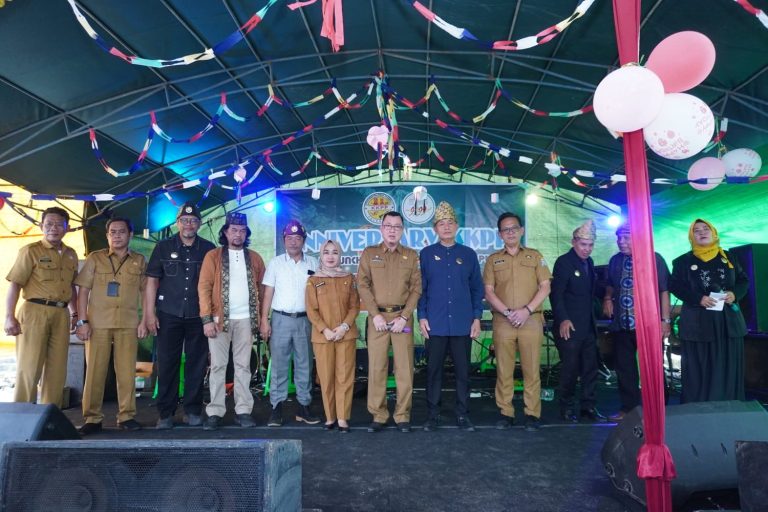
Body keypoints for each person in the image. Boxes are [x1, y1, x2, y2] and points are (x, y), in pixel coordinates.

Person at [144, 201, 215, 429]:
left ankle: (192, 410)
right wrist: (149, 314)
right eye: (184, 220)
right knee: (167, 364)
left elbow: (214, 286)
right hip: (168, 313)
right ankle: (165, 413)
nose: (188, 224)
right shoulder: (163, 247)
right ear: (177, 223)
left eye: (193, 221)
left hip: (198, 315)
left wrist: (211, 316)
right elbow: (152, 281)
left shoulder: (208, 248)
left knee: (197, 364)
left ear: (199, 224)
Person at [74, 217, 147, 434]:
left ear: (130, 235)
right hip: (98, 324)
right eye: (112, 232)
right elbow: (83, 291)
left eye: (121, 232)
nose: (117, 236)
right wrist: (82, 321)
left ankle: (126, 416)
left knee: (126, 372)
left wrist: (145, 320)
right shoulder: (95, 258)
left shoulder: (139, 260)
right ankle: (92, 418)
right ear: (107, 236)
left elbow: (146, 292)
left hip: (128, 323)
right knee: (95, 371)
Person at [418, 201, 484, 432]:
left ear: (457, 226)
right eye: (441, 224)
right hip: (435, 324)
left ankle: (462, 414)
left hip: (462, 324)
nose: (446, 227)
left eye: (450, 223)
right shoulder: (426, 254)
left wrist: (477, 318)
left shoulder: (468, 255)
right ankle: (433, 415)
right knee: (433, 372)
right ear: (435, 229)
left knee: (463, 373)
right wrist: (422, 316)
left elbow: (477, 289)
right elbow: (421, 289)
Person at [483, 212, 552, 431]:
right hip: (503, 322)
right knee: (504, 370)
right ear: (499, 234)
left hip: (530, 320)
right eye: (505, 229)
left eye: (514, 228)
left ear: (521, 230)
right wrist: (508, 312)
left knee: (531, 369)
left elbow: (545, 287)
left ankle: (532, 413)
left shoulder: (535, 256)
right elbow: (488, 291)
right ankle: (506, 412)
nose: (510, 232)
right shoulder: (493, 259)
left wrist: (526, 310)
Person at [5, 207, 78, 407]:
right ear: (41, 226)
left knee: (57, 370)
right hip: (34, 311)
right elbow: (15, 284)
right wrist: (9, 316)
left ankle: (49, 416)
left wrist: (75, 314)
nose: (53, 228)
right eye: (49, 224)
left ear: (67, 228)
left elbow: (71, 286)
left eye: (59, 224)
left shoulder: (71, 254)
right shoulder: (30, 251)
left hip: (61, 313)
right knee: (29, 367)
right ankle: (22, 415)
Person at [198, 212, 266, 431]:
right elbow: (204, 287)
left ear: (246, 234)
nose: (238, 234)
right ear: (225, 232)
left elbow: (263, 290)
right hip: (219, 320)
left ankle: (243, 410)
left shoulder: (255, 258)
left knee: (243, 366)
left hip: (246, 320)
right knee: (218, 365)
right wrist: (207, 319)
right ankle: (215, 411)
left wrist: (262, 318)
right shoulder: (213, 256)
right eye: (234, 230)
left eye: (242, 231)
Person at [669, 219, 748, 403]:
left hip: (728, 321)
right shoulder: (682, 261)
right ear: (691, 236)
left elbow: (743, 280)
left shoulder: (729, 257)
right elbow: (674, 285)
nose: (702, 232)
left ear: (714, 233)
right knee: (700, 363)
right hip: (698, 322)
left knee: (727, 361)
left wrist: (734, 294)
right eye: (696, 230)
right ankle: (700, 405)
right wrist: (698, 298)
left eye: (706, 229)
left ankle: (729, 403)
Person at [357, 211, 422, 433]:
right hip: (377, 319)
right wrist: (375, 314)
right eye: (388, 226)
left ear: (402, 230)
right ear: (381, 229)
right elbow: (362, 284)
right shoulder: (370, 253)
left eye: (397, 226)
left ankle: (402, 415)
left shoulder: (411, 255)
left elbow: (416, 288)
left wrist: (404, 316)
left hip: (402, 319)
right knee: (377, 368)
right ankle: (379, 414)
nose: (392, 230)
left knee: (404, 369)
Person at [603, 223, 671, 421]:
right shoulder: (615, 260)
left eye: (626, 238)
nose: (621, 242)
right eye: (619, 238)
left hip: (648, 325)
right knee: (624, 369)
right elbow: (610, 285)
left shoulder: (654, 258)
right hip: (622, 324)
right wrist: (607, 298)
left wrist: (665, 320)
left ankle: (659, 409)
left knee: (653, 368)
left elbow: (664, 290)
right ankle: (629, 409)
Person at [260, 220, 320, 427]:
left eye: (298, 238)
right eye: (289, 238)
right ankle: (276, 409)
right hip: (280, 320)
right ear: (284, 240)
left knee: (305, 364)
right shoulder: (276, 263)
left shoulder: (313, 263)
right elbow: (268, 293)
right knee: (279, 365)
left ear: (304, 241)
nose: (293, 242)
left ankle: (304, 407)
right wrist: (264, 320)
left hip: (305, 320)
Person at [550, 219, 605, 423]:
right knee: (570, 369)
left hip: (588, 325)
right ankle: (566, 406)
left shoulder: (589, 263)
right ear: (574, 242)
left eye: (590, 245)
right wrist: (563, 319)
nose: (587, 249)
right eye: (583, 244)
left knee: (590, 368)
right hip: (570, 326)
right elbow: (556, 294)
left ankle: (588, 407)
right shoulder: (564, 262)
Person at [305, 240, 360, 433]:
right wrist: (325, 329)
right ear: (321, 255)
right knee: (326, 377)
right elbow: (311, 310)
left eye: (335, 252)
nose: (330, 256)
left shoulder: (349, 278)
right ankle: (330, 417)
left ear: (340, 255)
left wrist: (344, 327)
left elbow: (354, 306)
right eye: (326, 252)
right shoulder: (313, 280)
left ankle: (343, 418)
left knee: (344, 377)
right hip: (323, 337)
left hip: (346, 335)